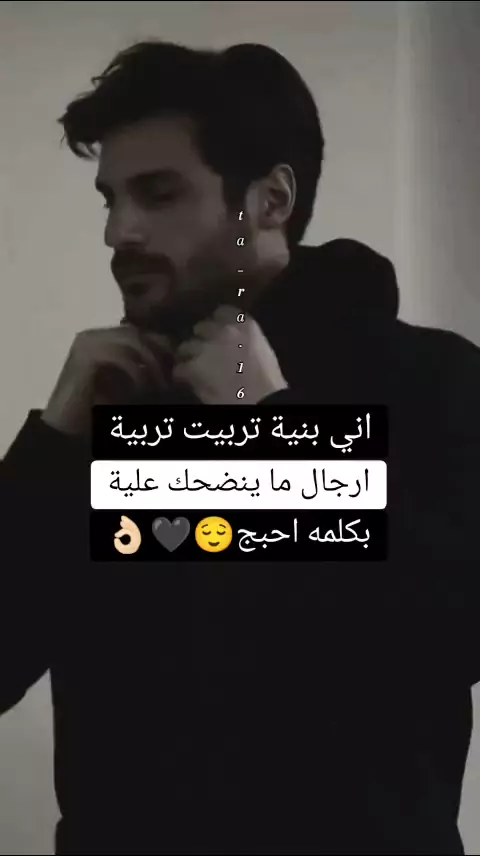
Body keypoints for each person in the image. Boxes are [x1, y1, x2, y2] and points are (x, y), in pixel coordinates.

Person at [1, 39, 479, 856]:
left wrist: (269, 431)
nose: (119, 231)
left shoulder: (428, 380)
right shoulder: (120, 404)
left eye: (159, 194)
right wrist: (50, 443)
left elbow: (451, 631)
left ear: (270, 199)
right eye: (111, 199)